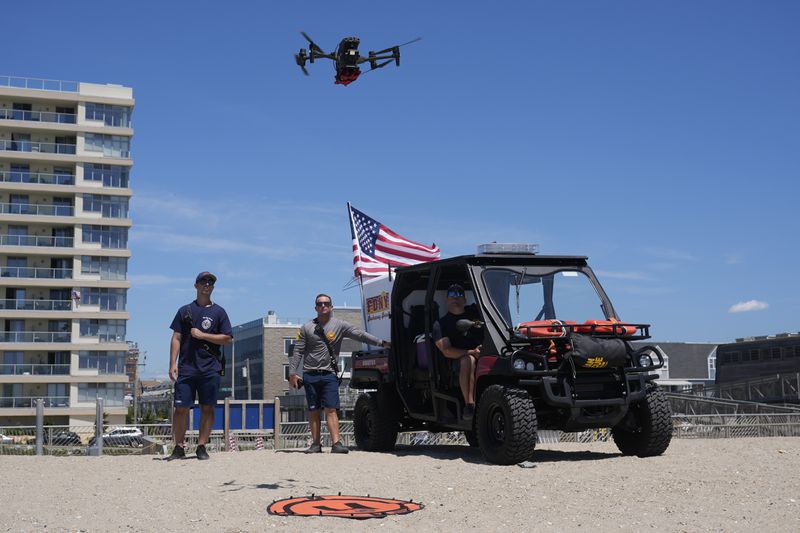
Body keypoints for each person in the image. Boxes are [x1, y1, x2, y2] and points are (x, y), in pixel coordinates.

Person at [289, 293, 390, 454]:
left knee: (331, 409)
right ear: (315, 308)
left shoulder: (340, 325)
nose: (323, 306)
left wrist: (381, 343)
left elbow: (360, 334)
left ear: (331, 306)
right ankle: (315, 444)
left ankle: (336, 443)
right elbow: (298, 351)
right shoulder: (306, 328)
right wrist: (292, 373)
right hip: (310, 374)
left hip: (329, 374)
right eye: (320, 303)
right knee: (313, 410)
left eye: (326, 303)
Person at [167, 271, 232, 461]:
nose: (207, 284)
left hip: (210, 367)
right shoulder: (184, 310)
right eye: (203, 281)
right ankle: (179, 446)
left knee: (208, 408)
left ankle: (201, 446)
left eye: (210, 282)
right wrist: (173, 363)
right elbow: (176, 337)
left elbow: (228, 338)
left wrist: (203, 336)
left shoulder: (219, 312)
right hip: (186, 367)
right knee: (181, 408)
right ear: (196, 285)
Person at [433, 284, 482, 419]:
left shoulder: (477, 316)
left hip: (484, 354)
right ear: (446, 300)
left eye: (460, 295)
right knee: (468, 360)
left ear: (465, 300)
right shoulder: (441, 324)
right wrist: (471, 352)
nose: (456, 298)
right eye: (452, 295)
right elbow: (446, 350)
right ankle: (470, 405)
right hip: (457, 363)